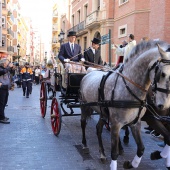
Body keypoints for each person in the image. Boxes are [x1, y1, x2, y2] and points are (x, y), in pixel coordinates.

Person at [0, 59, 13, 124]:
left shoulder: (6, 69)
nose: (7, 64)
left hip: (5, 88)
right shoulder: (1, 69)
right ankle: (1, 118)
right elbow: (3, 72)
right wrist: (9, 67)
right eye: (7, 63)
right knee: (1, 103)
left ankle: (2, 115)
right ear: (3, 63)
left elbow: (10, 73)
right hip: (1, 88)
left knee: (4, 103)